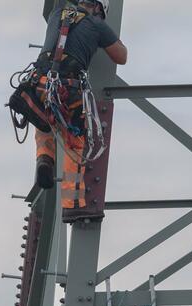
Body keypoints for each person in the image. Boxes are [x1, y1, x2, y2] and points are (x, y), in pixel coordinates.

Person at [33, 0, 127, 210]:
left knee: (43, 120)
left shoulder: (57, 13)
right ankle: (72, 203)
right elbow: (122, 56)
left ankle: (44, 159)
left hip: (39, 82)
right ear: (98, 9)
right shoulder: (97, 24)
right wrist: (106, 34)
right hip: (68, 86)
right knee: (74, 143)